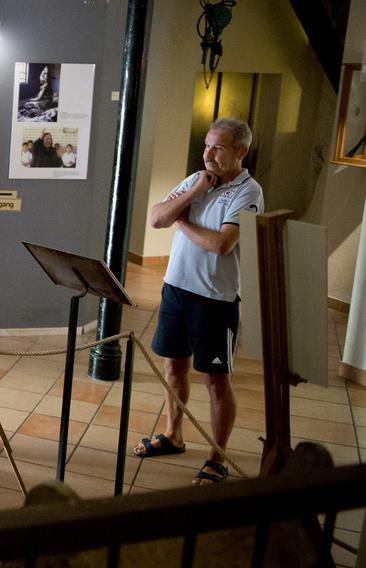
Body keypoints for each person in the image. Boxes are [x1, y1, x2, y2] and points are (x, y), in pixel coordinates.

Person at [133, 117, 263, 486]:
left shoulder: (248, 192)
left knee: (216, 380)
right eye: (207, 145)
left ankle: (216, 457)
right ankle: (173, 434)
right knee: (174, 367)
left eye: (218, 147)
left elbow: (222, 244)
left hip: (216, 300)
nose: (208, 153)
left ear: (241, 151)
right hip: (176, 288)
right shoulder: (196, 179)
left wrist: (183, 221)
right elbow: (158, 217)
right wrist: (191, 195)